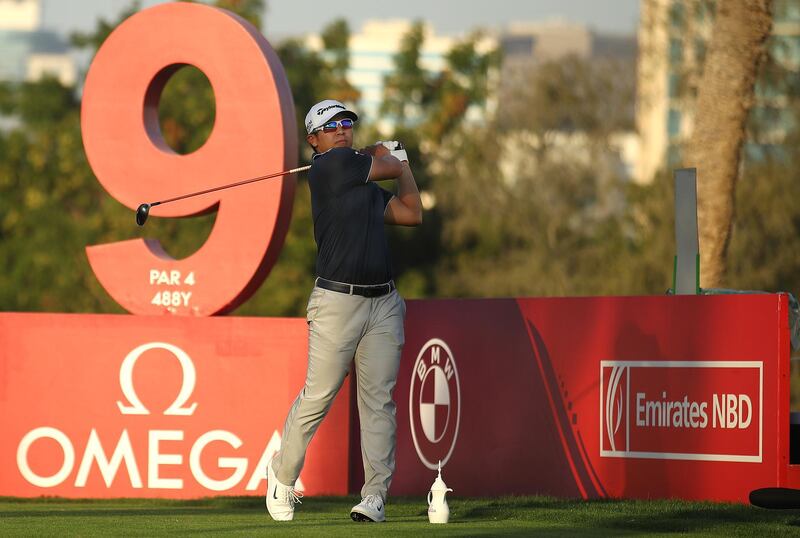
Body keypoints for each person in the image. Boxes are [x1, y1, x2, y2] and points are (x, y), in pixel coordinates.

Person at [266, 99, 422, 523]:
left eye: (347, 123)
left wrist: (401, 161)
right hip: (337, 303)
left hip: (383, 303)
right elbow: (384, 166)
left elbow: (411, 213)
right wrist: (388, 154)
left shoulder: (365, 189)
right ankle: (282, 475)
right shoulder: (328, 167)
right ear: (314, 140)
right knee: (319, 396)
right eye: (331, 125)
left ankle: (374, 496)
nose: (341, 129)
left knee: (378, 403)